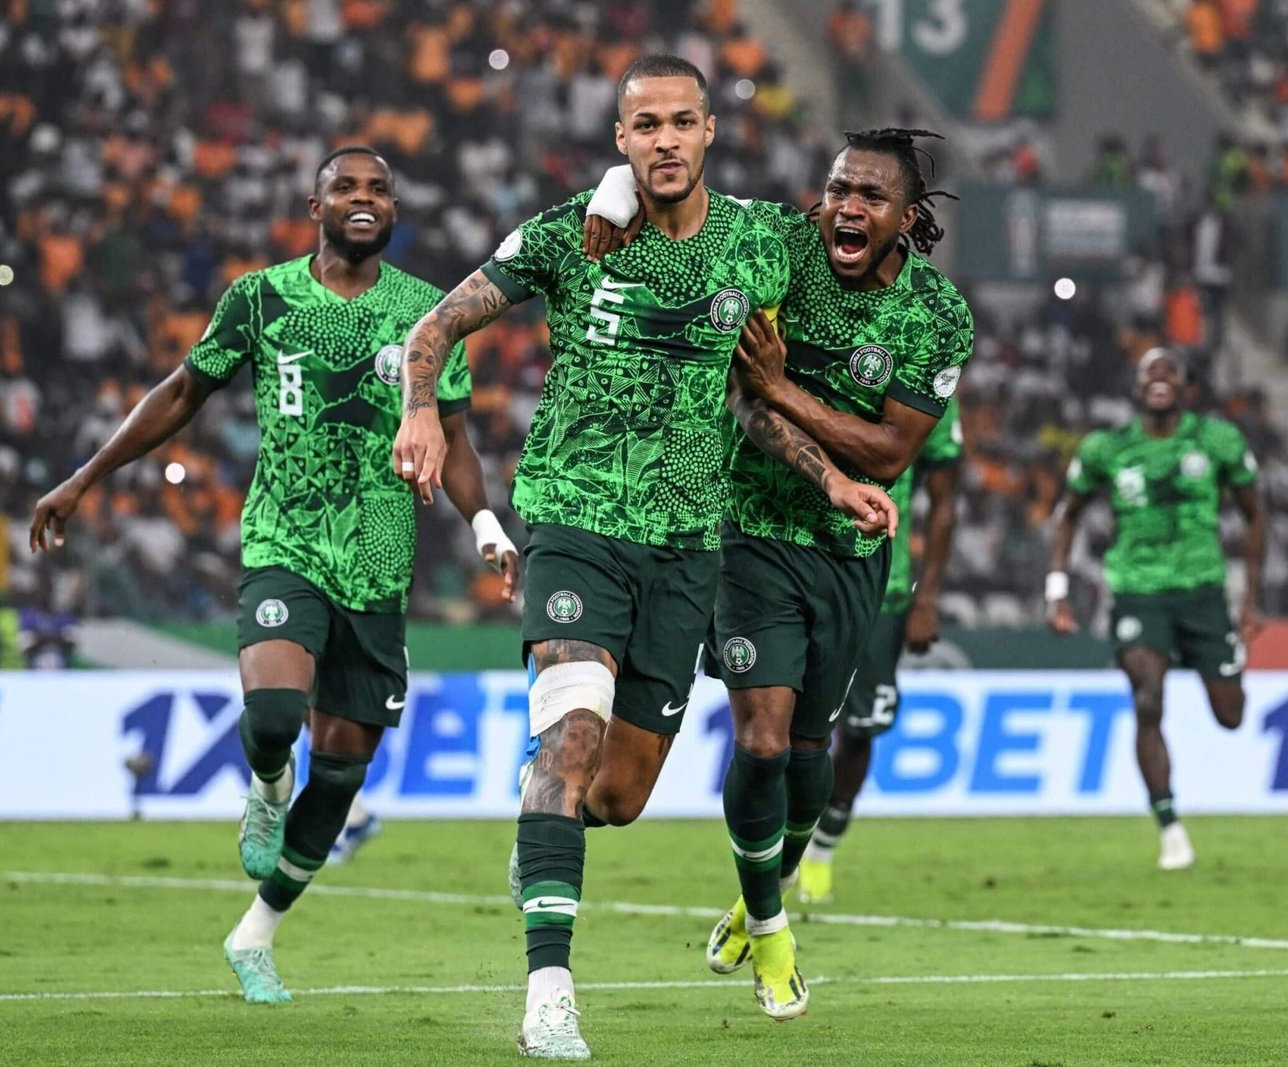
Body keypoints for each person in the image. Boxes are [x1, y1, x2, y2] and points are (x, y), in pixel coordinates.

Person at [392, 55, 894, 1060]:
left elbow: (752, 396)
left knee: (614, 795)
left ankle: (547, 804)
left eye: (680, 121)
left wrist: (832, 477)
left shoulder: (759, 244)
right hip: (574, 523)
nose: (664, 139)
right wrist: (419, 413)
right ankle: (549, 996)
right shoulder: (571, 234)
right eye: (645, 125)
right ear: (620, 139)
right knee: (571, 739)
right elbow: (436, 325)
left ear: (710, 131)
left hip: (687, 547)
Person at [30, 147, 519, 1003]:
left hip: (379, 564)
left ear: (394, 209)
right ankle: (265, 782)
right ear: (314, 205)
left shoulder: (429, 315)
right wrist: (85, 477)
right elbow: (182, 392)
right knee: (274, 718)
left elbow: (455, 437)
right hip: (284, 543)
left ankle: (255, 934)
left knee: (340, 773)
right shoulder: (259, 298)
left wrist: (483, 522)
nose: (363, 199)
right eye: (346, 187)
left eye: (378, 189)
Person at [582, 126, 973, 1018]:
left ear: (907, 216)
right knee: (760, 739)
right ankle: (770, 927)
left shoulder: (939, 316)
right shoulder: (780, 248)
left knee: (807, 753)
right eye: (837, 189)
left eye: (870, 196)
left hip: (851, 554)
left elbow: (891, 451)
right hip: (749, 531)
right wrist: (613, 184)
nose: (846, 207)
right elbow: (683, 207)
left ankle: (763, 887)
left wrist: (786, 387)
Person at [1047, 347, 1264, 870]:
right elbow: (1067, 514)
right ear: (1137, 386)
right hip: (1138, 590)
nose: (1160, 375)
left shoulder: (1218, 441)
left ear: (1189, 387)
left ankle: (1203, 656)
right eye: (1150, 369)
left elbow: (1256, 516)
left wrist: (1251, 601)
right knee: (1147, 698)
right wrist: (1057, 589)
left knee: (1230, 715)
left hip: (1203, 590)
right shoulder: (1107, 448)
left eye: (1171, 369)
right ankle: (1169, 826)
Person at [797, 397, 963, 904]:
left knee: (861, 727)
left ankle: (822, 847)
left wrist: (926, 598)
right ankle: (779, 845)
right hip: (793, 566)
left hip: (880, 585)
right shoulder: (804, 367)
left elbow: (944, 501)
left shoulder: (926, 383)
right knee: (782, 721)